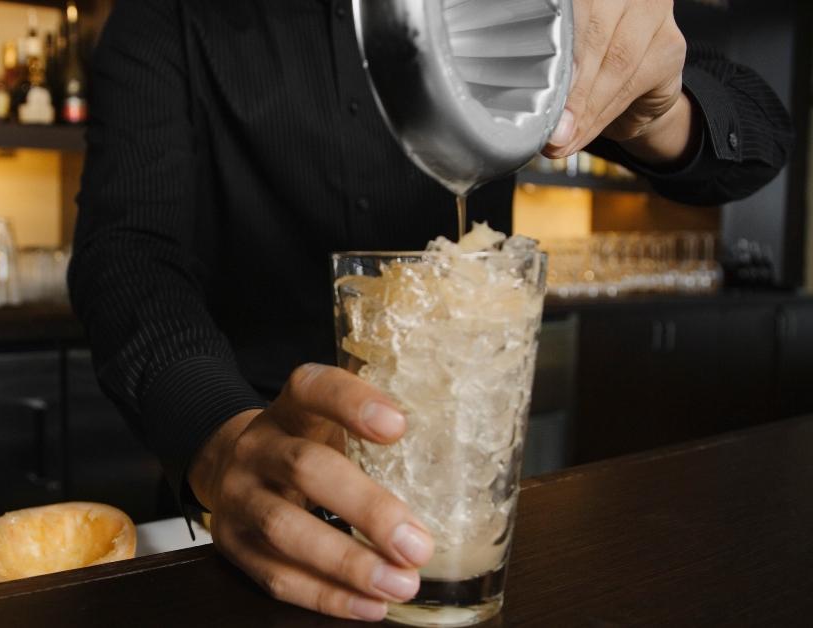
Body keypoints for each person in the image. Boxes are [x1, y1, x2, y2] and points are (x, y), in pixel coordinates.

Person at [68, 0, 793, 621]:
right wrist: (220, 439)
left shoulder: (497, 14)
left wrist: (653, 106)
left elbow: (759, 136)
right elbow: (128, 251)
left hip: (462, 491)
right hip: (253, 488)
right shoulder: (169, 14)